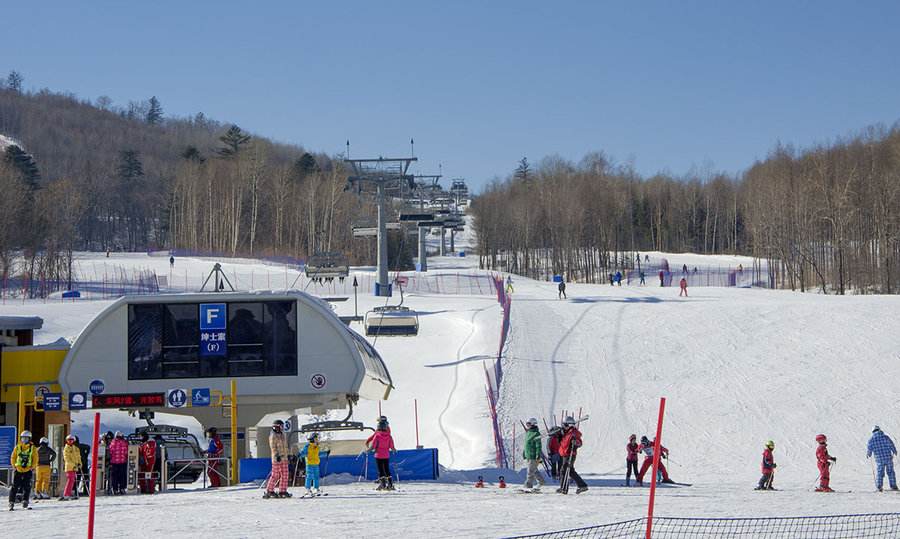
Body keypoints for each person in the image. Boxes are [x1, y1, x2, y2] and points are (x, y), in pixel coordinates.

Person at [557, 416, 587, 494]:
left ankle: (564, 488)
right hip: (565, 453)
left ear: (570, 425)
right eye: (563, 425)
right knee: (570, 471)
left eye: (565, 425)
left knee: (564, 470)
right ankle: (582, 485)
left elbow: (579, 442)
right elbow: (562, 442)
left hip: (570, 454)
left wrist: (576, 442)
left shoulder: (573, 433)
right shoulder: (566, 433)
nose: (564, 427)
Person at [8, 430, 35, 510]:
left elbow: (35, 458)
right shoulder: (18, 447)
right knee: (14, 486)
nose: (24, 440)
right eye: (23, 438)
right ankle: (11, 502)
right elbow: (13, 457)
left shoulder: (32, 448)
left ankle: (25, 501)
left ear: (29, 439)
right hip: (18, 469)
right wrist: (14, 466)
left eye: (26, 439)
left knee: (27, 486)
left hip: (28, 470)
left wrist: (32, 467)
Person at [368, 418, 396, 491]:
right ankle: (390, 484)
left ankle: (383, 484)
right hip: (386, 455)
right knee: (387, 470)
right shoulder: (389, 436)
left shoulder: (377, 436)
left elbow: (373, 446)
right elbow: (392, 446)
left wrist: (368, 450)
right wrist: (393, 450)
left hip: (378, 455)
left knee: (381, 470)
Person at [265, 419, 291, 498]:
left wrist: (289, 454)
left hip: (284, 458)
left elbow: (285, 446)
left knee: (285, 474)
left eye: (282, 426)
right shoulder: (273, 436)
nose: (282, 428)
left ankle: (283, 491)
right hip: (277, 459)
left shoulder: (283, 435)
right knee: (275, 475)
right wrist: (277, 455)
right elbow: (273, 447)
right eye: (281, 426)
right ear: (276, 427)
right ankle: (270, 490)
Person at [867, 426, 897, 492]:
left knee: (880, 473)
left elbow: (869, 449)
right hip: (888, 458)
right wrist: (894, 451)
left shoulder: (871, 440)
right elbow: (891, 444)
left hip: (879, 459)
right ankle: (893, 486)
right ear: (879, 430)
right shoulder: (885, 437)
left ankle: (879, 487)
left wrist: (868, 454)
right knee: (891, 472)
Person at [522, 418, 545, 491]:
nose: (527, 426)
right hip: (528, 455)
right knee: (534, 470)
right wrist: (524, 452)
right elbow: (526, 444)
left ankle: (528, 485)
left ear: (533, 424)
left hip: (533, 455)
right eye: (527, 424)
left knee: (530, 471)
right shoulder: (528, 433)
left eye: (528, 424)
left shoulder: (536, 433)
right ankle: (541, 481)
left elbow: (538, 445)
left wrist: (538, 454)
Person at [61, 434, 81, 500]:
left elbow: (78, 457)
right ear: (67, 441)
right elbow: (67, 459)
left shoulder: (76, 448)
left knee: (73, 480)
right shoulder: (66, 449)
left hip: (75, 467)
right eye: (69, 440)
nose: (70, 441)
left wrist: (79, 463)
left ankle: (69, 493)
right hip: (69, 467)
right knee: (70, 480)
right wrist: (74, 465)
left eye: (72, 440)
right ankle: (66, 494)